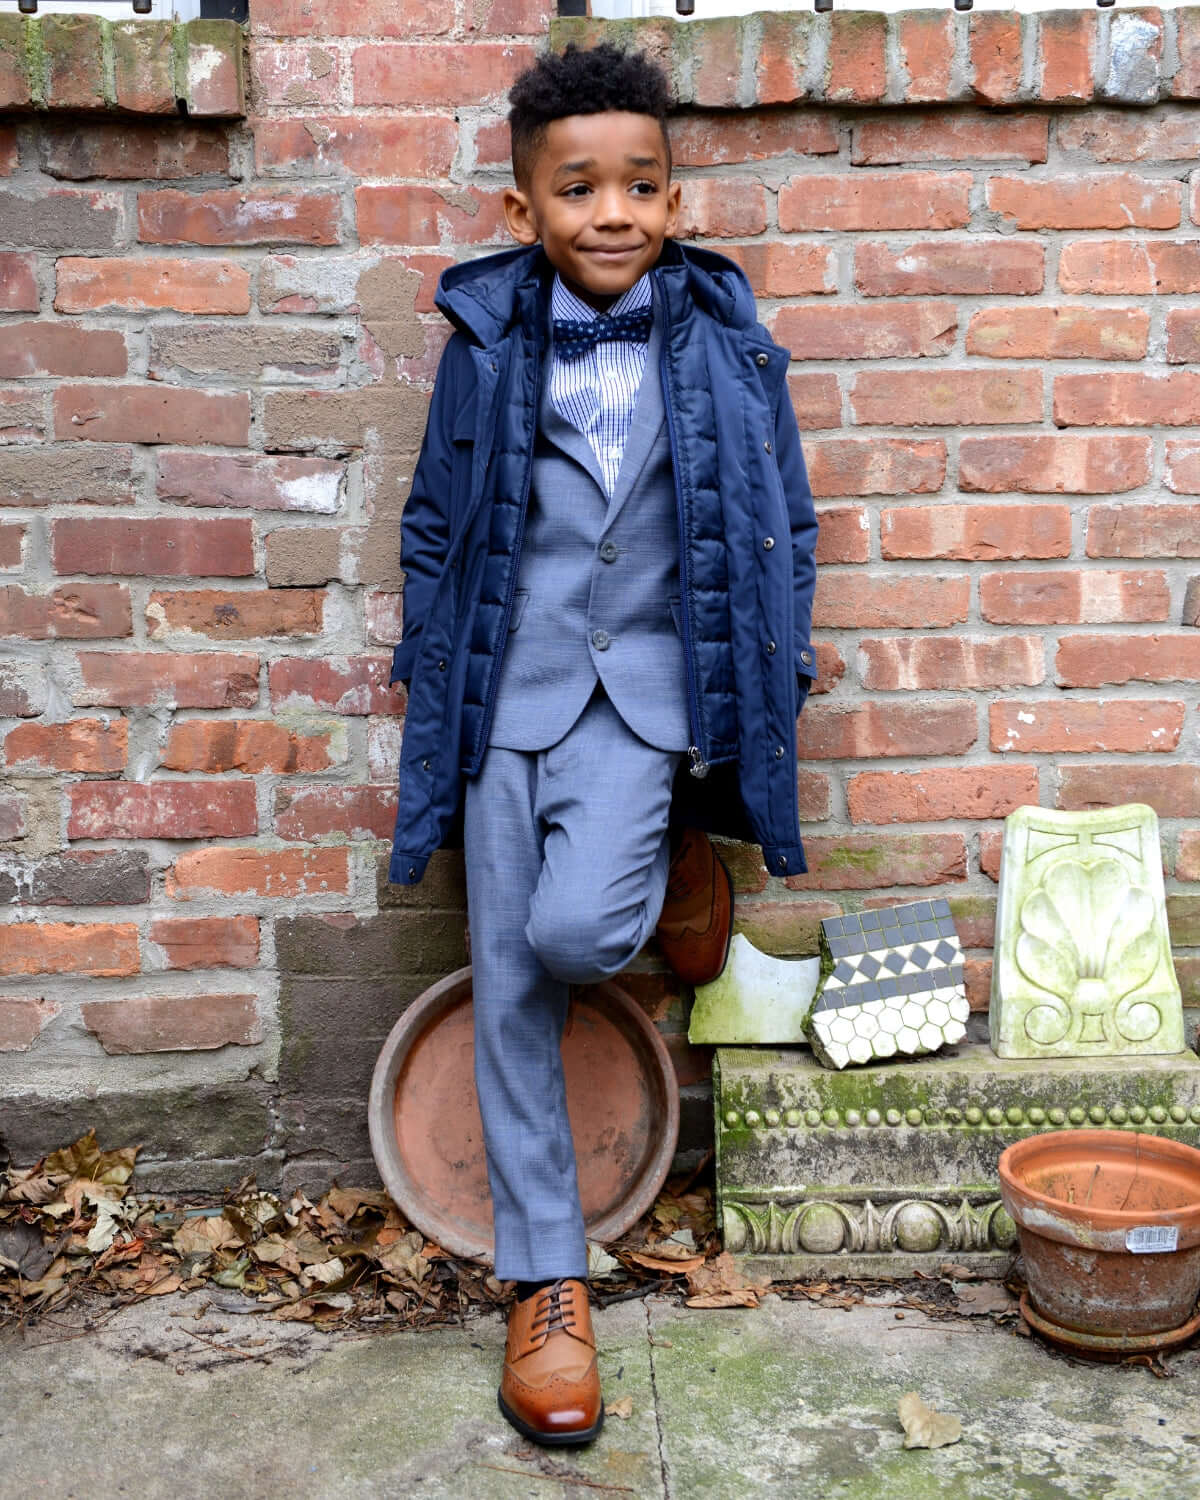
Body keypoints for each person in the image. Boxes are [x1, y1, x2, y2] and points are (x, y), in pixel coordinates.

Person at [387, 42, 819, 1447]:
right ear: (526, 213)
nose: (613, 213)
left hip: (646, 704)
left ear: (676, 197)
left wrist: (778, 660)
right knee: (514, 978)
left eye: (641, 184)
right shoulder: (488, 344)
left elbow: (783, 523)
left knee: (581, 938)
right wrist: (433, 661)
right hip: (509, 701)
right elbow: (438, 522)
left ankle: (684, 849)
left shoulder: (731, 345)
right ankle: (546, 1284)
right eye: (580, 190)